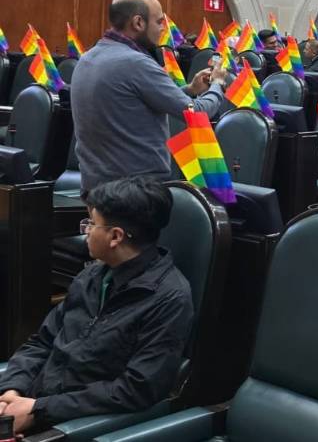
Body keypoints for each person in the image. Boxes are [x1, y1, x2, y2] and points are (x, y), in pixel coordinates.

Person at [0, 177, 193, 433]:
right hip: (30, 399)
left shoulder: (169, 299)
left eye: (91, 223)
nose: (86, 230)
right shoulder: (93, 275)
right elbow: (43, 341)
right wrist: (12, 390)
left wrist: (39, 409)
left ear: (115, 236)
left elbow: (135, 389)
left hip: (71, 422)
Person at [71, 0, 227, 193]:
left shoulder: (88, 58)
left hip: (96, 186)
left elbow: (133, 101)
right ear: (138, 23)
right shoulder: (136, 63)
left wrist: (189, 89)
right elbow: (198, 113)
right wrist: (217, 84)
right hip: (135, 191)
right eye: (159, 21)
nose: (164, 28)